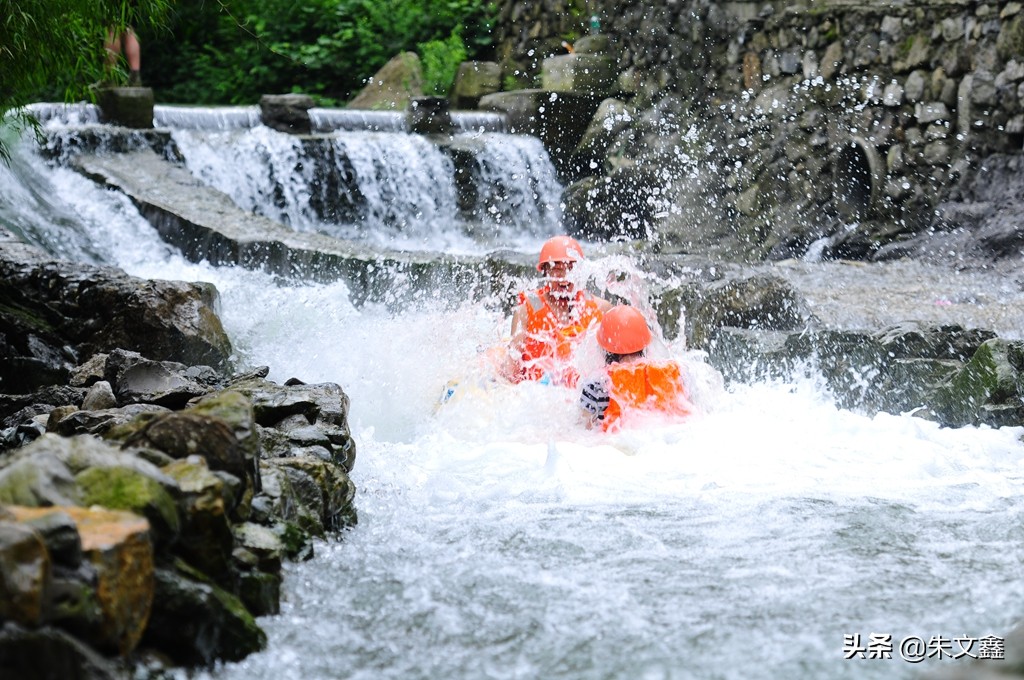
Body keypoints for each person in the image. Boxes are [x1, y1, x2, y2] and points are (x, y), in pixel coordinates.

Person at [500, 235, 611, 387]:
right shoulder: (526, 309)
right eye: (557, 270)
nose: (564, 277)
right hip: (540, 394)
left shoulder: (600, 308)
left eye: (570, 269)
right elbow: (511, 371)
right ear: (545, 272)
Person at [579, 305, 693, 432]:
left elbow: (585, 430)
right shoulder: (677, 374)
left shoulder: (598, 385)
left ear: (605, 349)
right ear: (645, 344)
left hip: (617, 447)